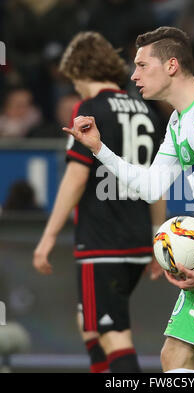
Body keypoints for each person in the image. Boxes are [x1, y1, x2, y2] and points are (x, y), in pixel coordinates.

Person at [63, 26, 194, 373]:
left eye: (142, 65)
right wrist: (99, 149)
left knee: (174, 358)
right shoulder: (180, 120)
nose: (134, 75)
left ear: (172, 65)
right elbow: (150, 187)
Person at [33, 31, 166, 373]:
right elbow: (158, 185)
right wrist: (157, 239)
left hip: (103, 240)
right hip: (137, 240)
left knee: (112, 333)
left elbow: (76, 177)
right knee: (89, 322)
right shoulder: (147, 111)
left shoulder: (89, 109)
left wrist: (48, 237)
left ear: (78, 69)